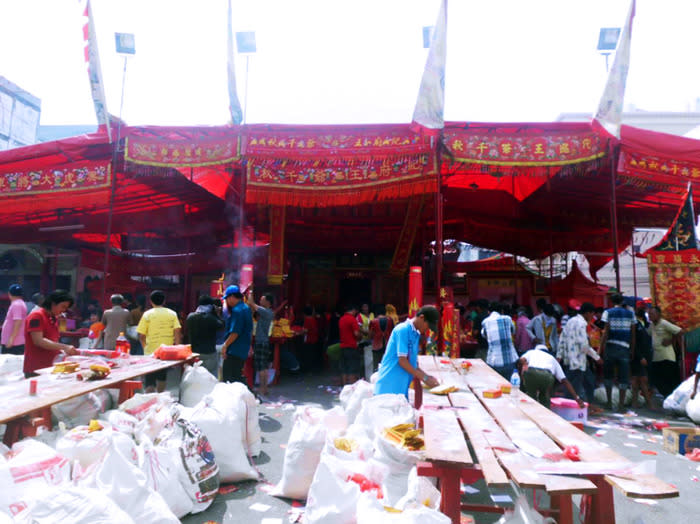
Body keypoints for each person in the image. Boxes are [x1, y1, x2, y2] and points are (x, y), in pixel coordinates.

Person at [375, 306, 440, 397]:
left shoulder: (415, 334)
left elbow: (412, 365)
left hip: (401, 388)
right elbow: (402, 361)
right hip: (388, 387)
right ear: (421, 318)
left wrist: (428, 377)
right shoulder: (403, 330)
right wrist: (425, 378)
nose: (427, 330)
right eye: (428, 326)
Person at [23, 290, 78, 377]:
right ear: (53, 304)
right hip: (36, 369)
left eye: (66, 308)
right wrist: (64, 347)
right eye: (62, 307)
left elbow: (56, 337)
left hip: (50, 367)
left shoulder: (53, 318)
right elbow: (38, 341)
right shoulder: (36, 316)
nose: (64, 310)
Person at [137, 290, 182, 392]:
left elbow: (141, 335)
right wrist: (176, 348)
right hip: (166, 351)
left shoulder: (147, 314)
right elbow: (177, 331)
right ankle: (160, 397)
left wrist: (145, 348)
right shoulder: (172, 314)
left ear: (151, 301)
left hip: (150, 352)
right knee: (162, 376)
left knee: (149, 378)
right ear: (164, 301)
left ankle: (150, 399)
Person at [598, 294, 636, 410]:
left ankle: (609, 402)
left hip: (611, 347)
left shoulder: (608, 312)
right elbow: (633, 334)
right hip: (624, 348)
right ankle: (621, 404)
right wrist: (632, 349)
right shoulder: (630, 314)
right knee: (623, 377)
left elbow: (605, 332)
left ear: (611, 301)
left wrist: (600, 348)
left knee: (608, 375)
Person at [556, 301, 599, 402]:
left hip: (568, 360)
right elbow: (584, 345)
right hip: (577, 361)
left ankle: (578, 406)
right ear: (588, 313)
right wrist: (596, 357)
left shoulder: (570, 321)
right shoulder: (581, 324)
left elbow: (562, 339)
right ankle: (578, 409)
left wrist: (559, 355)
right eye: (592, 314)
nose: (592, 317)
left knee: (572, 386)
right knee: (577, 387)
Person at [518, 344, 585, 409]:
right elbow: (565, 381)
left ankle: (529, 411)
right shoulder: (552, 359)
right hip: (547, 377)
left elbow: (521, 360)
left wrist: (522, 373)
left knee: (530, 397)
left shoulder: (532, 352)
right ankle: (545, 414)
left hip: (531, 373)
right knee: (545, 399)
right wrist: (577, 398)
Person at [648, 306, 683, 397]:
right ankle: (667, 397)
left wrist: (671, 341)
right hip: (656, 357)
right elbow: (648, 334)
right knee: (658, 380)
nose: (650, 316)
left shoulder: (664, 323)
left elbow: (679, 331)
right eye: (649, 314)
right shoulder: (651, 325)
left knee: (668, 380)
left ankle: (670, 398)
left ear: (658, 314)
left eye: (652, 314)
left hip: (667, 357)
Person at [220, 285, 252, 385]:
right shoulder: (246, 308)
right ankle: (250, 397)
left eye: (227, 299)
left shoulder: (237, 310)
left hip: (234, 350)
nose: (227, 302)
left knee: (229, 379)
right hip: (242, 349)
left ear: (232, 297)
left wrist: (225, 346)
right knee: (237, 376)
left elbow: (235, 332)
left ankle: (251, 396)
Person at [186, 295, 224, 378]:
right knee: (211, 376)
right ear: (211, 306)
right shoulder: (211, 318)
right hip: (209, 352)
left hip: (194, 353)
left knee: (196, 377)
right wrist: (217, 313)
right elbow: (222, 326)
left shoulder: (190, 317)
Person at [247, 292, 276, 395]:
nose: (260, 301)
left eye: (262, 299)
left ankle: (262, 389)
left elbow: (251, 303)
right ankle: (265, 389)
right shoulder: (268, 312)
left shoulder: (266, 312)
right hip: (264, 341)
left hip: (261, 342)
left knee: (261, 367)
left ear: (267, 302)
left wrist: (250, 291)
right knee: (263, 366)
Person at [481, 302, 518, 379]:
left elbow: (484, 335)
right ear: (502, 311)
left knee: (496, 385)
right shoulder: (508, 319)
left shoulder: (486, 322)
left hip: (494, 361)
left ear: (489, 312)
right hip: (510, 360)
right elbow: (513, 331)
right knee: (509, 387)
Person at [630, 308, 654, 409]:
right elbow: (634, 342)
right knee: (642, 380)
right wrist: (640, 357)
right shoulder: (636, 325)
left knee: (637, 379)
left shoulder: (643, 324)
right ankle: (649, 404)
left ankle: (635, 402)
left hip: (643, 355)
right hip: (638, 356)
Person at [339, 305, 361, 385]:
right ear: (353, 310)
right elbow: (356, 333)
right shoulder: (352, 319)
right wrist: (360, 336)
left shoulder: (341, 319)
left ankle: (345, 386)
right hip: (351, 346)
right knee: (352, 367)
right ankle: (352, 387)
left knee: (344, 367)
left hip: (343, 346)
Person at [1, 284, 27, 355]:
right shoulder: (20, 303)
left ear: (9, 294)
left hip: (14, 343)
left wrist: (11, 339)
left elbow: (18, 322)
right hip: (15, 342)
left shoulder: (16, 305)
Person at [369, 304, 394, 372]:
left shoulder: (373, 321)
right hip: (388, 345)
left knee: (376, 366)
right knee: (387, 365)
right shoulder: (390, 320)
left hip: (376, 345)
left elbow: (370, 335)